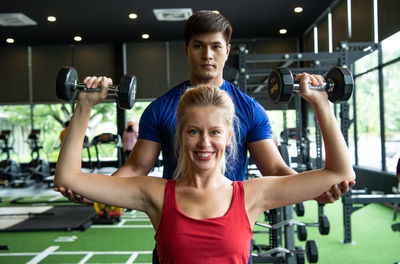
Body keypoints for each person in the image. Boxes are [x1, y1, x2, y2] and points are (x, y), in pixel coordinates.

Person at [55, 10, 352, 205]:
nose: (207, 55)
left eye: (215, 46)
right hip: (174, 215)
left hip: (230, 215)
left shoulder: (249, 110)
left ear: (227, 51)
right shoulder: (160, 109)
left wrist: (315, 192)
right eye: (198, 46)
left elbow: (273, 168)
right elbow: (136, 167)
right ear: (186, 50)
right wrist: (94, 191)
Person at [54, 82, 355, 263]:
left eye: (215, 132)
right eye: (193, 131)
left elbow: (339, 172)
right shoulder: (154, 194)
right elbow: (68, 178)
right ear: (180, 136)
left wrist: (321, 103)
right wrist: (84, 105)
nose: (204, 143)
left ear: (228, 137)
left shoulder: (253, 195)